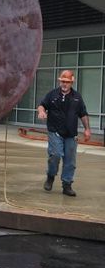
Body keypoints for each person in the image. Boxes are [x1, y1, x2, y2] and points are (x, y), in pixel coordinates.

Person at [37, 69, 90, 197]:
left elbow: (83, 114)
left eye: (67, 82)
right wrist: (41, 111)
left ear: (72, 82)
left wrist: (87, 129)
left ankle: (67, 185)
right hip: (55, 131)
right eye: (62, 81)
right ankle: (50, 176)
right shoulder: (52, 94)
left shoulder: (77, 97)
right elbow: (42, 105)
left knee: (70, 161)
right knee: (55, 155)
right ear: (59, 81)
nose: (64, 84)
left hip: (71, 134)